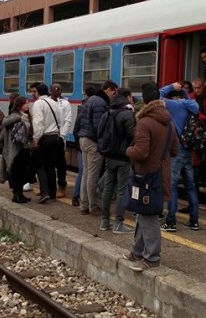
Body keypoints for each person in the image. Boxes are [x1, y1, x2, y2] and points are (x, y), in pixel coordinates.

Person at [125, 83, 178, 271]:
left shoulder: (144, 122)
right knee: (144, 213)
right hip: (161, 173)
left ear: (145, 100)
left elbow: (140, 152)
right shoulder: (169, 122)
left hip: (145, 175)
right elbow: (175, 150)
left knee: (148, 216)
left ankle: (152, 257)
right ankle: (137, 251)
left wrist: (128, 150)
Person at [159, 82, 200, 232]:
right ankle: (194, 221)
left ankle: (171, 221)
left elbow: (155, 95)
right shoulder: (191, 104)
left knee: (172, 186)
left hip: (176, 151)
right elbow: (190, 101)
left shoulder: (173, 105)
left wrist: (171, 87)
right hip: (188, 151)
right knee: (191, 186)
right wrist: (184, 92)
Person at [99, 87, 136, 234]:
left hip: (109, 155)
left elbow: (100, 131)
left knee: (108, 188)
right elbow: (133, 136)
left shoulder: (108, 112)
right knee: (121, 190)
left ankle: (104, 221)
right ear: (127, 97)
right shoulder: (128, 114)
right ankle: (119, 223)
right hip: (123, 157)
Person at [77, 80, 117, 214]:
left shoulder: (91, 99)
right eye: (113, 92)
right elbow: (99, 126)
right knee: (92, 175)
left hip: (84, 138)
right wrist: (104, 143)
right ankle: (93, 206)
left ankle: (84, 205)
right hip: (93, 141)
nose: (113, 95)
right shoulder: (101, 102)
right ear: (108, 89)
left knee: (86, 173)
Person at [30, 83, 63, 204]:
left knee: (40, 165)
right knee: (51, 166)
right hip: (55, 136)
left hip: (45, 137)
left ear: (38, 92)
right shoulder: (54, 103)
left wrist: (35, 139)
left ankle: (44, 192)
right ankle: (53, 193)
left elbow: (38, 123)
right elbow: (60, 120)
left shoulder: (38, 104)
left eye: (34, 92)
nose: (33, 94)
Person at [0, 96, 33, 203]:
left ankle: (20, 194)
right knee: (16, 172)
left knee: (23, 172)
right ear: (19, 105)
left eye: (28, 103)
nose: (27, 105)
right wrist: (19, 118)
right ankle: (16, 194)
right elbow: (4, 122)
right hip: (16, 150)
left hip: (26, 148)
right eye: (25, 104)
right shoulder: (15, 116)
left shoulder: (28, 116)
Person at [50, 83, 73, 199]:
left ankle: (62, 187)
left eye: (59, 89)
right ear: (50, 90)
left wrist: (62, 135)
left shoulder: (65, 103)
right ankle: (49, 187)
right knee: (48, 163)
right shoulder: (47, 102)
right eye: (55, 89)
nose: (57, 90)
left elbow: (68, 120)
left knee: (60, 164)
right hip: (48, 136)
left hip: (58, 137)